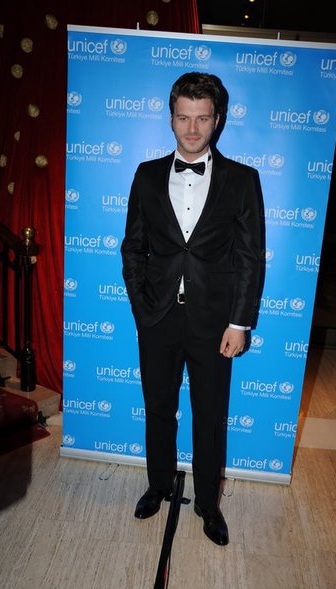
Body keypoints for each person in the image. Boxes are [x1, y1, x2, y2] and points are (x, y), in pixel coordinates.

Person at [121, 72, 264, 546]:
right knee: (158, 408)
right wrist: (141, 307)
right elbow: (133, 247)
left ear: (217, 119)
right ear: (171, 118)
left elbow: (249, 257)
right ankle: (158, 485)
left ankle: (208, 503)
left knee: (209, 415)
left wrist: (239, 322)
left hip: (214, 323)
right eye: (184, 117)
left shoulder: (242, 180)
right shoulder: (145, 175)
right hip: (158, 317)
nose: (192, 128)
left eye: (202, 118)